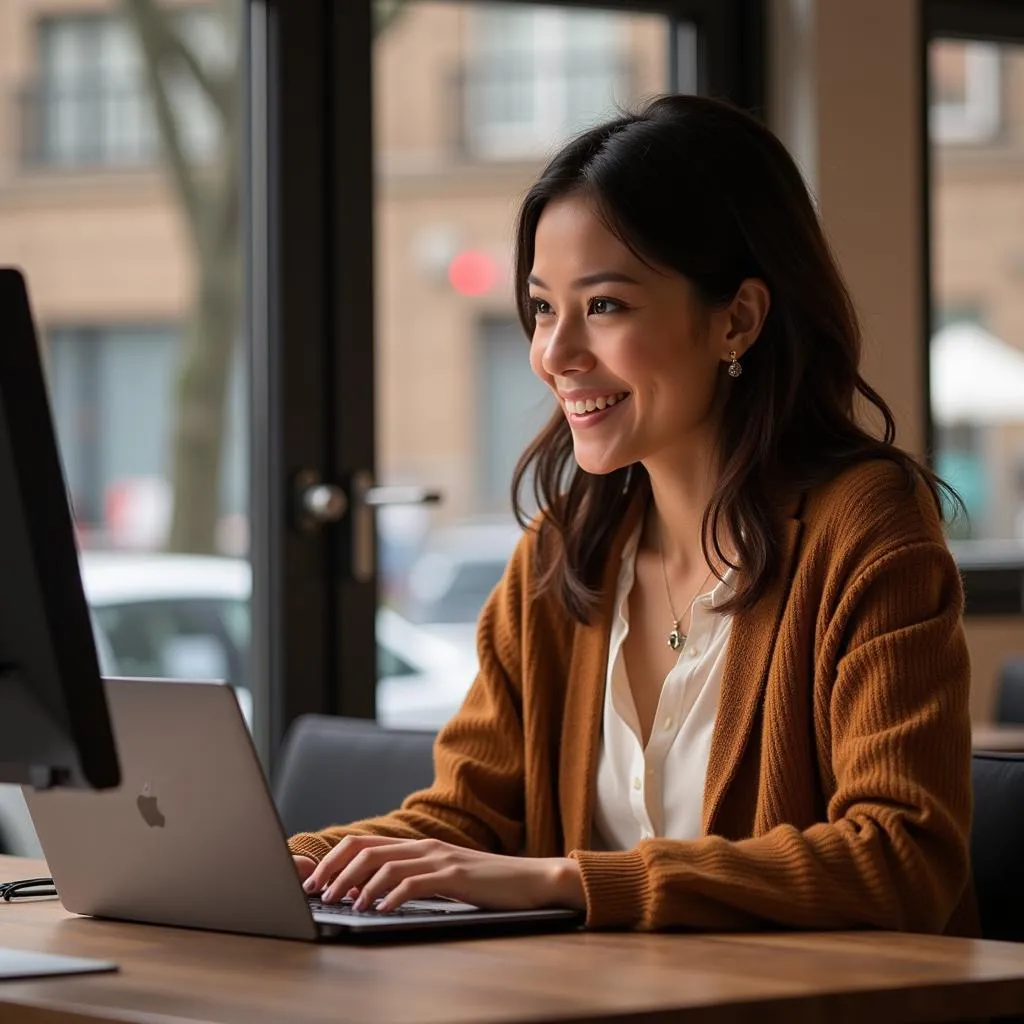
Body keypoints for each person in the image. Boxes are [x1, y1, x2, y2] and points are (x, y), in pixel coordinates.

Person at [288, 94, 974, 935]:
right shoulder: (560, 557)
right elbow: (466, 824)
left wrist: (565, 880)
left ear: (738, 319)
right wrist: (281, 860)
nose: (554, 354)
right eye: (543, 307)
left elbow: (900, 858)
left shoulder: (863, 529)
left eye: (604, 306)